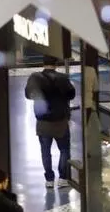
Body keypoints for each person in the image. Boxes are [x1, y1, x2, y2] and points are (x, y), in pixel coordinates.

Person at [24, 55, 76, 188]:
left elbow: (28, 94)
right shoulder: (63, 78)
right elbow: (71, 94)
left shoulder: (35, 78)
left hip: (43, 122)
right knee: (64, 149)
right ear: (56, 64)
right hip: (61, 121)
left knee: (45, 151)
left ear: (43, 63)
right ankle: (63, 178)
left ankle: (49, 179)